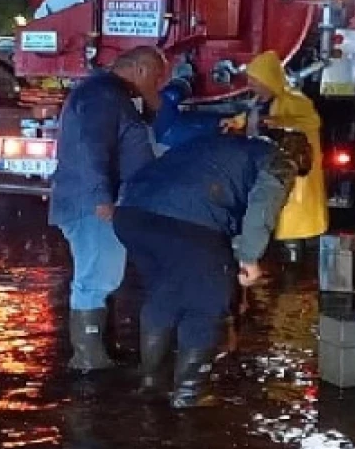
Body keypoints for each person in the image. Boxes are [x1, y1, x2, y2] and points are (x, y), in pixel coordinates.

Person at [113, 130, 313, 408]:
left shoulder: (224, 143)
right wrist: (249, 259)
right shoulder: (280, 161)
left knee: (165, 293)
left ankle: (151, 383)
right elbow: (261, 209)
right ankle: (190, 394)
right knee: (206, 302)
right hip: (184, 221)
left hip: (131, 214)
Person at [49, 45, 168, 372]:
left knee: (102, 275)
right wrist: (102, 197)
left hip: (98, 200)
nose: (157, 85)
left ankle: (100, 349)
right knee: (96, 278)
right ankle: (88, 358)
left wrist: (154, 103)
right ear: (141, 70)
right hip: (94, 205)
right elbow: (92, 147)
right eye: (156, 78)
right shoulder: (103, 96)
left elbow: (135, 130)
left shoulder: (110, 94)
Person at [243, 51, 328, 241]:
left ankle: (295, 252)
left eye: (254, 80)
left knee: (292, 218)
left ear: (267, 79)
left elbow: (311, 122)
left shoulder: (294, 100)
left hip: (293, 169)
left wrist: (279, 122)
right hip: (270, 165)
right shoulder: (258, 102)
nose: (250, 85)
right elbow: (250, 118)